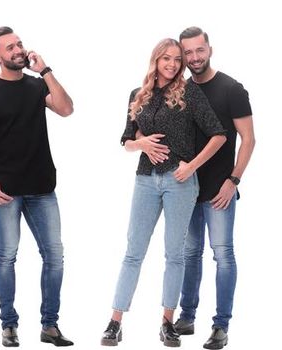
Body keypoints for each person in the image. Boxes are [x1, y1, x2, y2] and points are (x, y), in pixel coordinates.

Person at [100, 38, 226, 348]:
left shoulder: (188, 93)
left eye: (176, 60)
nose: (171, 64)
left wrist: (191, 166)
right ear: (155, 60)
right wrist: (140, 144)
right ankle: (115, 322)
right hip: (145, 180)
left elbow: (219, 135)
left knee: (174, 255)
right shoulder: (137, 95)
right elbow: (126, 141)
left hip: (179, 182)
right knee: (133, 252)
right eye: (166, 58)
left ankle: (167, 323)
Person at [0, 27, 76, 347]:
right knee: (6, 256)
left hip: (43, 187)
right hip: (4, 189)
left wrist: (45, 70)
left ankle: (50, 326)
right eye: (10, 47)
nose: (18, 50)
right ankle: (9, 324)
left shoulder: (36, 85)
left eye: (19, 44)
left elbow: (66, 108)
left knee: (55, 256)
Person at [172, 26, 255, 350]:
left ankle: (221, 326)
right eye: (187, 53)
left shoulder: (232, 89)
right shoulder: (181, 90)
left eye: (198, 50)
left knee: (223, 255)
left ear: (209, 49)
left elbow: (248, 139)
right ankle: (187, 316)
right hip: (187, 189)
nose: (194, 57)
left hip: (219, 189)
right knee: (190, 253)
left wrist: (233, 180)